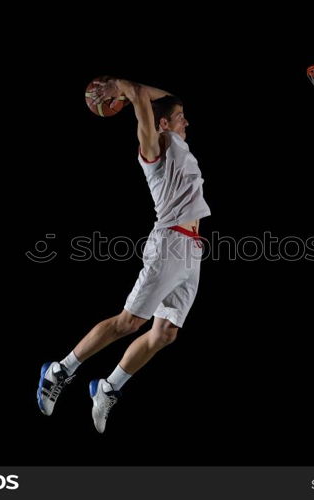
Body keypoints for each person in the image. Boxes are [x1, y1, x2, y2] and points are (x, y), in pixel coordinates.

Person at [37, 77, 211, 433]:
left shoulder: (181, 147)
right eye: (180, 117)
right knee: (130, 322)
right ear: (162, 124)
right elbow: (145, 97)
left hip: (192, 249)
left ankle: (107, 387)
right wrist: (124, 88)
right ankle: (59, 370)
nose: (186, 122)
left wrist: (136, 92)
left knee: (165, 334)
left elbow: (158, 95)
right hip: (169, 245)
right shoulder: (155, 146)